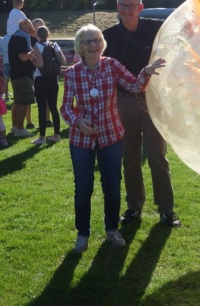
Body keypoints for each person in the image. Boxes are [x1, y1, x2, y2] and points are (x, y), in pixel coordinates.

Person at [60, 24, 166, 253]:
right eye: (88, 41)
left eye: (96, 40)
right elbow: (65, 108)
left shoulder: (112, 65)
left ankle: (111, 229)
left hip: (110, 137)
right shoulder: (72, 73)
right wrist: (78, 122)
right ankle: (83, 233)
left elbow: (134, 85)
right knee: (83, 188)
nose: (93, 45)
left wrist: (146, 72)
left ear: (102, 43)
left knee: (112, 186)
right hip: (82, 141)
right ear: (80, 46)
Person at [102, 0, 180, 228]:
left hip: (153, 102)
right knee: (130, 157)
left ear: (140, 7)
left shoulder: (156, 29)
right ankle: (134, 206)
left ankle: (166, 209)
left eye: (132, 5)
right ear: (117, 7)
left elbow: (180, 43)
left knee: (158, 156)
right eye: (123, 5)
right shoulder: (108, 37)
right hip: (123, 102)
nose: (127, 10)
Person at [29, 25, 65, 144]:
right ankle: (56, 135)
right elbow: (63, 61)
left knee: (42, 108)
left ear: (38, 36)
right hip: (53, 80)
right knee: (53, 107)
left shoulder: (37, 45)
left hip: (41, 79)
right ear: (48, 35)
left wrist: (32, 61)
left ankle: (42, 137)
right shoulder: (54, 45)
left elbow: (40, 64)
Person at [8, 22, 35, 137]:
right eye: (30, 27)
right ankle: (20, 129)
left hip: (15, 74)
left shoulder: (13, 39)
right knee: (23, 102)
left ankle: (15, 127)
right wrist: (34, 51)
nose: (31, 30)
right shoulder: (22, 39)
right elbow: (23, 57)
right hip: (23, 75)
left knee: (17, 102)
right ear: (24, 26)